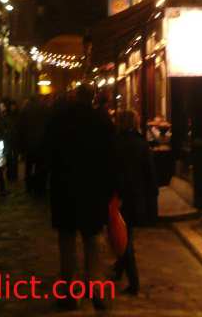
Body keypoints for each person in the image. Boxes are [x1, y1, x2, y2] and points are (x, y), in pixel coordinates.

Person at [46, 84, 116, 311]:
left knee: (66, 242)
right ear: (93, 98)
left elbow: (48, 153)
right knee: (92, 241)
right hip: (92, 191)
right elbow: (111, 159)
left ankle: (68, 292)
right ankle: (95, 289)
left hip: (65, 189)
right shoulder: (102, 122)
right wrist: (110, 190)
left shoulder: (60, 120)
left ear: (75, 97)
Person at [112, 109, 158, 295]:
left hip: (119, 196)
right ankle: (120, 269)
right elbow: (149, 173)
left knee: (124, 238)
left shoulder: (115, 143)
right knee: (126, 234)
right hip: (135, 196)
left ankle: (134, 282)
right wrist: (152, 195)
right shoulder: (141, 144)